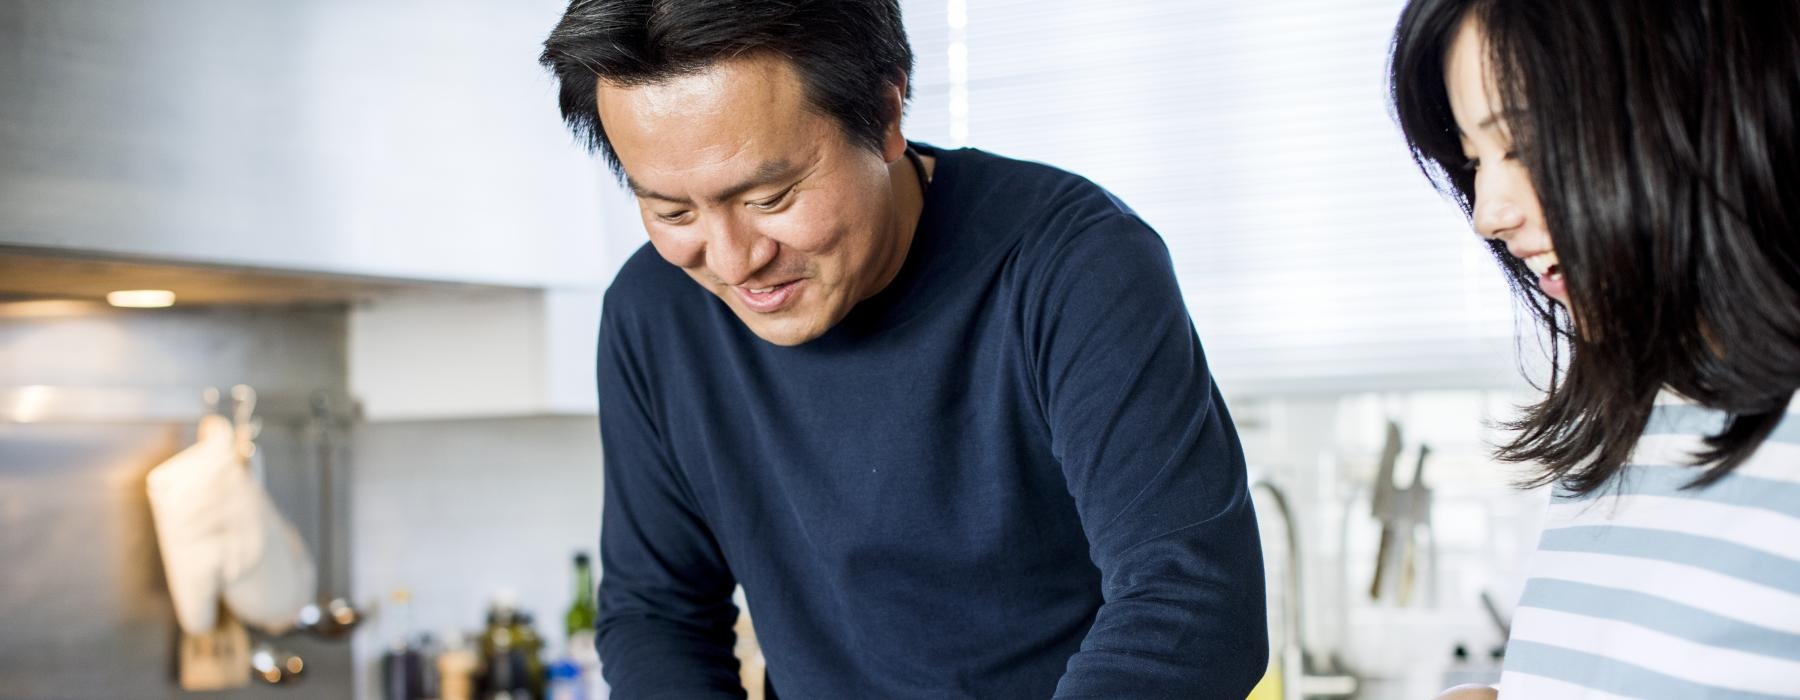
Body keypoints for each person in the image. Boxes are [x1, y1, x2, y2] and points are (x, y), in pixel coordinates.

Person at [537, 1, 1268, 698]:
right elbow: (656, 616)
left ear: (886, 114)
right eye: (672, 210)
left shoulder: (1071, 264)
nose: (732, 262)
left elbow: (1192, 599)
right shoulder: (654, 311)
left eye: (772, 197)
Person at [1390, 0, 1800, 697]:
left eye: (1520, 144)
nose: (1490, 214)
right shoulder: (1627, 425)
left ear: (1691, 99)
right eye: (1474, 161)